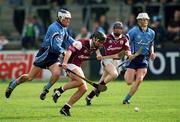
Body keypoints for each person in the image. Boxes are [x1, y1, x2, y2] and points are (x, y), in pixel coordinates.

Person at [5, 9, 77, 100]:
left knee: (57, 74)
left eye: (69, 19)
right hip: (45, 54)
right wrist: (63, 52)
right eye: (67, 18)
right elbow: (54, 46)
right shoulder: (54, 28)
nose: (68, 20)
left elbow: (67, 38)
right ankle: (13, 84)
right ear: (60, 18)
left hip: (53, 56)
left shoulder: (63, 28)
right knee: (30, 77)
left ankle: (45, 90)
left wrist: (76, 43)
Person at [52, 31, 106, 116]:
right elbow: (69, 51)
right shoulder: (81, 43)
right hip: (70, 64)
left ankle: (66, 108)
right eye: (100, 42)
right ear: (94, 39)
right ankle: (59, 91)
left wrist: (98, 55)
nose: (100, 44)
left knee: (84, 89)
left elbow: (97, 50)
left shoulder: (96, 46)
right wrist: (65, 63)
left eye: (102, 43)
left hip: (77, 65)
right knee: (81, 81)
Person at [85, 21, 134, 105]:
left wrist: (129, 55)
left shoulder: (124, 39)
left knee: (101, 81)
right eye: (117, 29)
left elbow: (127, 49)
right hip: (106, 60)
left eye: (120, 29)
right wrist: (98, 54)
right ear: (113, 29)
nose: (118, 31)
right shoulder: (106, 38)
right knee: (114, 74)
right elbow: (95, 45)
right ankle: (99, 88)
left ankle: (89, 97)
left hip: (116, 61)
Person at [122, 12, 156, 104]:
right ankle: (124, 71)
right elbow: (126, 42)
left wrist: (152, 52)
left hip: (143, 59)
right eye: (141, 19)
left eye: (145, 19)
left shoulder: (152, 32)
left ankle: (127, 99)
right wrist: (128, 53)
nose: (143, 21)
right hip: (133, 58)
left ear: (148, 21)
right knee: (129, 82)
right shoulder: (133, 31)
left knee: (139, 80)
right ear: (138, 21)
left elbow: (151, 43)